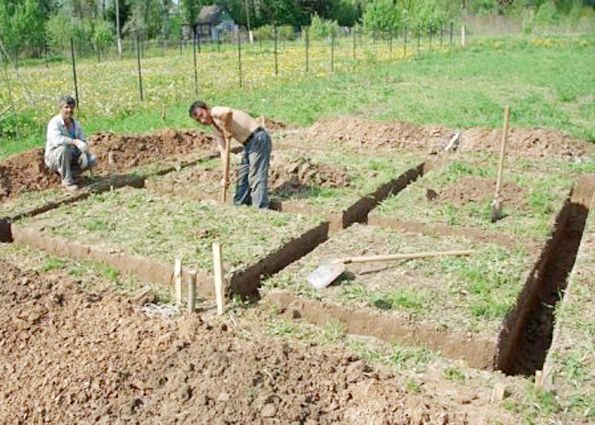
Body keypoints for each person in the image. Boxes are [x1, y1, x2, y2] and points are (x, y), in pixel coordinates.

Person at [189, 101, 271, 209]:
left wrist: (226, 127)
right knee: (242, 176)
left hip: (258, 138)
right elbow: (224, 152)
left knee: (256, 175)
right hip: (248, 145)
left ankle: (260, 208)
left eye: (202, 115)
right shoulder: (215, 129)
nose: (202, 120)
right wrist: (225, 177)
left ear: (207, 108)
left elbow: (228, 111)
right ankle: (239, 204)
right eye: (198, 120)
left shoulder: (216, 111)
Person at [45, 95, 97, 191]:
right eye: (66, 107)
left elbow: (83, 140)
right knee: (63, 150)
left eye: (72, 107)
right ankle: (67, 181)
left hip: (72, 155)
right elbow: (57, 140)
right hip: (55, 157)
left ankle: (73, 174)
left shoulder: (76, 124)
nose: (70, 110)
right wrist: (74, 141)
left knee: (92, 159)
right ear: (60, 109)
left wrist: (83, 153)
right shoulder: (54, 123)